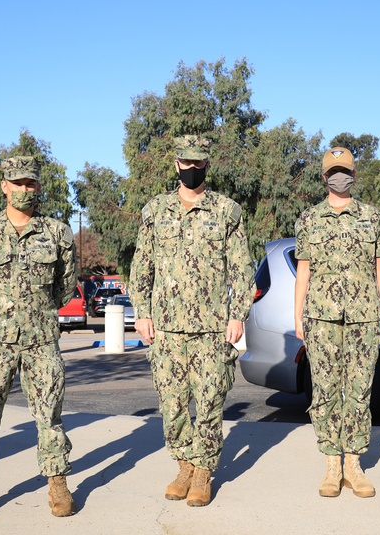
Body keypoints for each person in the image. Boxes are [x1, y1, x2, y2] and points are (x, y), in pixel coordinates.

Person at [129, 135, 255, 507]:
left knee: (211, 399)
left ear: (207, 166)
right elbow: (142, 266)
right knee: (172, 402)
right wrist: (142, 313)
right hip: (166, 326)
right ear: (176, 164)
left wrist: (238, 315)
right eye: (186, 163)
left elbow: (241, 268)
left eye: (199, 163)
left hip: (213, 326)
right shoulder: (155, 210)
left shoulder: (227, 211)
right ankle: (184, 464)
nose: (192, 169)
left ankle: (203, 472)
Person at [0, 156, 77, 524]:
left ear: (38, 186)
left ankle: (57, 483)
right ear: (4, 185)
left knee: (49, 416)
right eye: (17, 182)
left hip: (41, 341)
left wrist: (34, 312)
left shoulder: (57, 233)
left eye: (31, 183)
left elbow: (65, 287)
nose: (24, 189)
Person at [293, 147, 380, 498]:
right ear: (324, 176)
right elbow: (303, 271)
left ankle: (354, 464)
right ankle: (331, 464)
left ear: (354, 175)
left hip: (364, 317)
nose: (340, 176)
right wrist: (298, 316)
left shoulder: (372, 217)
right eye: (334, 171)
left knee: (360, 390)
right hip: (320, 318)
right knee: (325, 390)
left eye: (346, 171)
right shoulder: (308, 219)